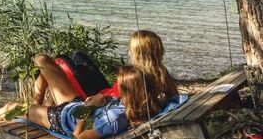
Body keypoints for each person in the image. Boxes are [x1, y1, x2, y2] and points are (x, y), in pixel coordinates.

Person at [0, 65, 162, 139]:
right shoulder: (135, 107)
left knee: (12, 107)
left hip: (60, 119)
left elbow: (78, 138)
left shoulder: (115, 119)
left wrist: (90, 106)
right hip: (73, 107)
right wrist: (96, 103)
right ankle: (33, 108)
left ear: (129, 92)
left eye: (120, 87)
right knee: (43, 63)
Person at [31, 30, 178, 105]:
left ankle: (36, 104)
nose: (129, 52)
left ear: (137, 53)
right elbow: (175, 98)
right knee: (78, 57)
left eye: (131, 50)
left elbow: (111, 102)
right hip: (104, 92)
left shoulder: (134, 76)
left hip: (94, 102)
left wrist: (91, 102)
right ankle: (43, 104)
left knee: (50, 60)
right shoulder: (160, 72)